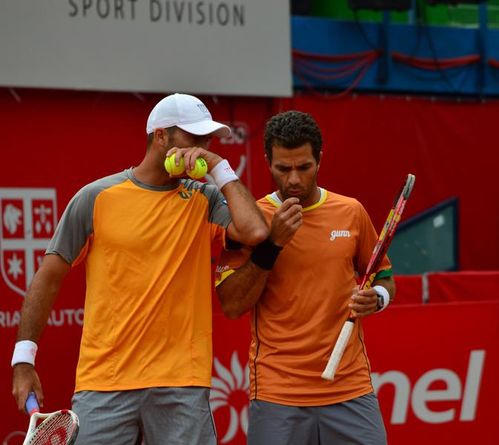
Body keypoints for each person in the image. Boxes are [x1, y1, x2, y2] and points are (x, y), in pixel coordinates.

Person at [11, 93, 268, 444]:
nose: (202, 148)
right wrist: (23, 360)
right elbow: (49, 277)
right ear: (160, 136)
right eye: (194, 139)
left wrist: (219, 167)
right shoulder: (95, 197)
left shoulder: (204, 199)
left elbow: (255, 231)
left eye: (207, 141)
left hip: (182, 383)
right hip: (105, 382)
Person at [216, 110, 395, 445]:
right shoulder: (249, 221)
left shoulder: (351, 212)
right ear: (267, 160)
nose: (294, 180)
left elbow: (383, 276)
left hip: (350, 387)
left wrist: (378, 298)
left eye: (304, 167)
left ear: (320, 160)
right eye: (283, 169)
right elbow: (232, 304)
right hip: (277, 393)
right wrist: (273, 244)